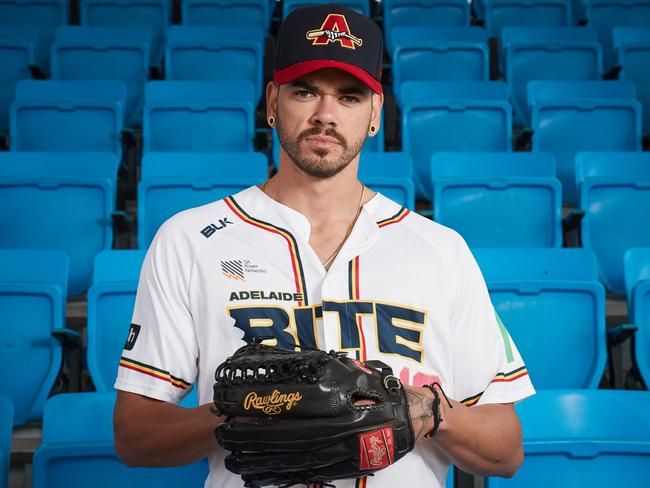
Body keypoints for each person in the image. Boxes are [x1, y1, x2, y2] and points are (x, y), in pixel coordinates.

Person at [113, 4, 535, 487]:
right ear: (272, 101)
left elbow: (505, 450)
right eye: (305, 91)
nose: (325, 115)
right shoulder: (190, 239)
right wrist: (253, 410)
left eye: (350, 97)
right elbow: (134, 437)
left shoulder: (440, 249)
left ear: (376, 112)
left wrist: (426, 411)